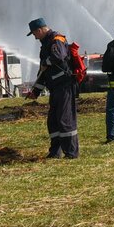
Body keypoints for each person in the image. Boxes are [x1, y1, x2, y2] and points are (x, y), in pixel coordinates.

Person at [26, 17, 79, 159]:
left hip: (64, 86)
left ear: (40, 30)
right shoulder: (45, 45)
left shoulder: (57, 39)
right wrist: (36, 91)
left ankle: (71, 153)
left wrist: (46, 61)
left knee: (65, 119)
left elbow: (59, 56)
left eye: (34, 34)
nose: (35, 38)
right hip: (55, 88)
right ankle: (55, 152)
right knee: (53, 121)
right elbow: (44, 72)